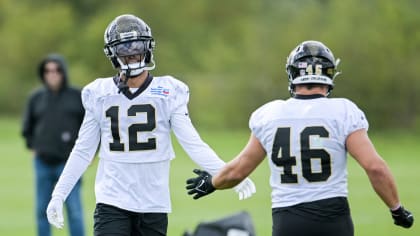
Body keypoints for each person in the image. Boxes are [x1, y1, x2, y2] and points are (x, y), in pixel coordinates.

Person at [45, 14, 255, 236]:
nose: (132, 54)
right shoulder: (99, 93)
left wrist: (230, 174)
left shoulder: (169, 92)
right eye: (124, 49)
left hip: (154, 204)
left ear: (148, 48)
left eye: (136, 47)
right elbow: (83, 151)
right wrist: (59, 194)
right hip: (112, 201)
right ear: (113, 54)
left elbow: (194, 144)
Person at [186, 40, 414, 236]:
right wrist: (397, 209)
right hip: (333, 219)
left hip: (288, 221)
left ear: (293, 74)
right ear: (329, 73)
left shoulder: (270, 114)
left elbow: (238, 171)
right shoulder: (344, 111)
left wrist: (212, 182)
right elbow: (375, 168)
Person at [22, 54, 86, 236]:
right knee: (42, 209)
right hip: (42, 163)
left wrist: (90, 154)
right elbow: (27, 127)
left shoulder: (78, 96)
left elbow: (91, 128)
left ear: (63, 72)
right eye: (48, 70)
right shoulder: (36, 98)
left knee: (74, 211)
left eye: (57, 70)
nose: (52, 74)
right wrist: (33, 147)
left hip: (69, 164)